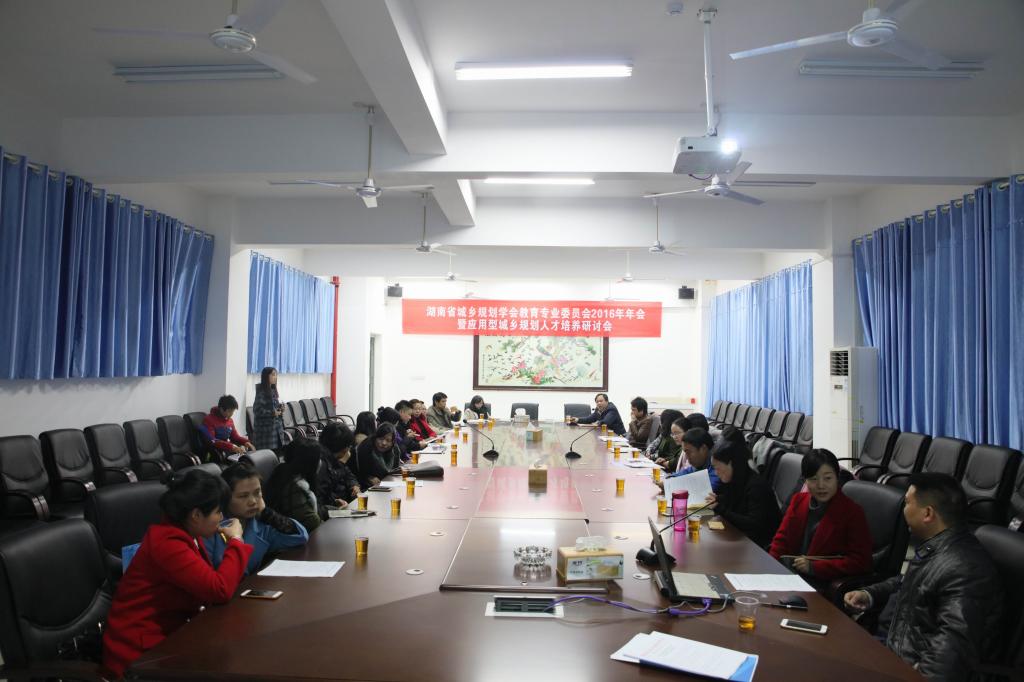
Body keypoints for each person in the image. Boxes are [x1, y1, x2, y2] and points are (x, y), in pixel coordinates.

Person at [843, 473, 1003, 681]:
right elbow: (908, 583)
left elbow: (950, 652)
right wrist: (869, 594)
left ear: (927, 513)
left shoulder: (966, 569)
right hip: (891, 648)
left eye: (907, 503)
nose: (903, 509)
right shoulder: (938, 546)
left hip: (907, 666)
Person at [102, 470, 253, 679]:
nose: (222, 518)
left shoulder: (187, 533)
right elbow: (219, 589)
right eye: (218, 512)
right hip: (140, 654)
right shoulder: (168, 543)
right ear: (196, 515)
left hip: (174, 636)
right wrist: (236, 541)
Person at [768, 449, 871, 585]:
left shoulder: (852, 512)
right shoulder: (798, 501)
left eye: (828, 478)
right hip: (790, 577)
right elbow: (781, 541)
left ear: (837, 477)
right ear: (805, 480)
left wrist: (815, 567)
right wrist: (771, 569)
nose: (821, 486)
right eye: (813, 479)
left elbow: (861, 562)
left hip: (822, 583)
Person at [205, 463, 309, 575]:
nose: (253, 501)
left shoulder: (261, 525)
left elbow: (300, 537)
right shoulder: (210, 528)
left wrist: (267, 513)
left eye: (257, 493)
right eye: (243, 496)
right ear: (225, 498)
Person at [704, 439, 781, 548]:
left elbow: (752, 524)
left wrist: (720, 508)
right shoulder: (734, 479)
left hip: (760, 546)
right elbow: (734, 500)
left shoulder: (757, 486)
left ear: (732, 464)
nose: (716, 473)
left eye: (718, 468)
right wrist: (719, 499)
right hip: (741, 537)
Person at [264, 438, 327, 533]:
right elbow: (312, 522)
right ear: (310, 462)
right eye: (318, 458)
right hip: (298, 537)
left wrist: (333, 510)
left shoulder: (283, 470)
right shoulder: (296, 486)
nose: (320, 462)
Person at [318, 421, 361, 506]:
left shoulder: (336, 456)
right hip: (333, 506)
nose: (349, 448)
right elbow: (326, 490)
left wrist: (354, 485)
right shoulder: (321, 461)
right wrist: (342, 463)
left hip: (345, 500)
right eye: (348, 445)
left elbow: (349, 475)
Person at [200, 395, 255, 460]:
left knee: (246, 458)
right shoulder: (209, 420)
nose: (231, 414)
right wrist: (232, 446)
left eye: (233, 411)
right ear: (221, 409)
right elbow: (213, 440)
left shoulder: (230, 421)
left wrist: (246, 442)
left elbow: (235, 437)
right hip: (214, 452)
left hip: (226, 450)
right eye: (229, 411)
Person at [352, 423, 402, 488]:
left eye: (388, 440)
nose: (384, 443)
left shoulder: (395, 449)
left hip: (389, 484)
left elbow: (395, 470)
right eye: (381, 439)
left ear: (392, 442)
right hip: (368, 486)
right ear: (375, 437)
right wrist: (369, 478)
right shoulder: (365, 448)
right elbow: (358, 472)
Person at [252, 366, 286, 451]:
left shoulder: (272, 390)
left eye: (276, 375)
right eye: (273, 375)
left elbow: (274, 407)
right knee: (269, 455)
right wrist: (272, 413)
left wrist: (280, 408)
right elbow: (257, 410)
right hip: (266, 432)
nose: (275, 377)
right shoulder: (261, 392)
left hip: (276, 429)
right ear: (266, 376)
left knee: (277, 453)